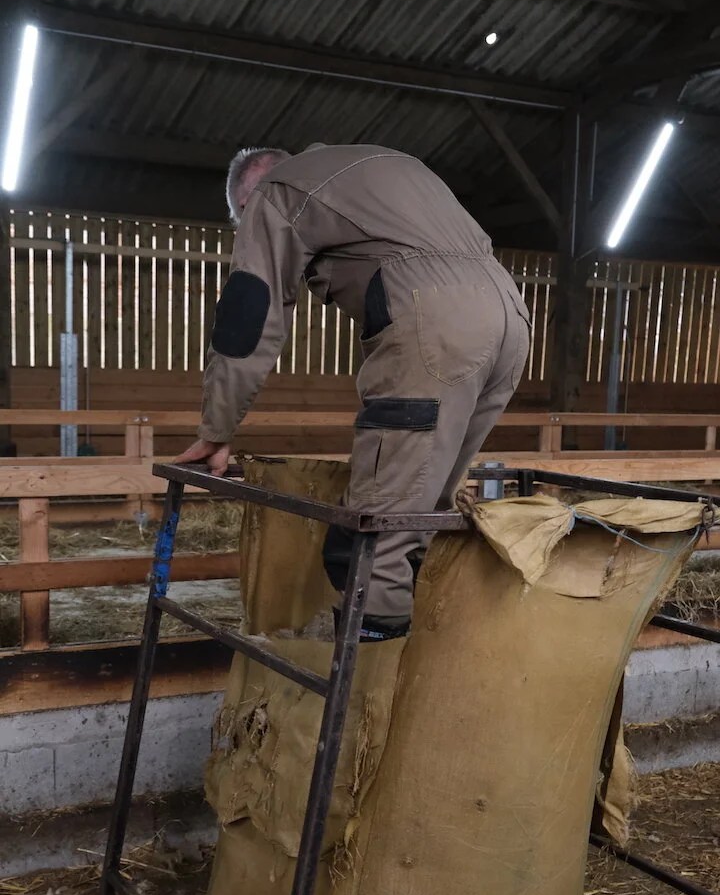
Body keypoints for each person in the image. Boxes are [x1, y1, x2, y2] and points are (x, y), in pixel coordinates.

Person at [177, 143, 530, 640]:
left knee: (374, 539)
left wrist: (216, 428)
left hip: (437, 323)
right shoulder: (382, 164)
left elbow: (250, 310)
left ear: (247, 193)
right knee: (423, 513)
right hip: (510, 314)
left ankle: (369, 695)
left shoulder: (275, 193)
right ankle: (435, 663)